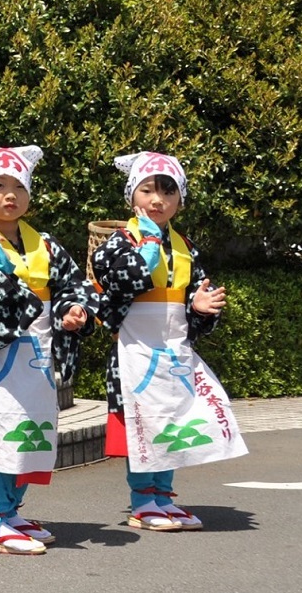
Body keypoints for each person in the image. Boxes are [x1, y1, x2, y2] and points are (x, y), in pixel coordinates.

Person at [0, 145, 97, 555]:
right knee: (1, 432)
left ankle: (12, 511)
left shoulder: (46, 245)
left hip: (39, 350)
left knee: (31, 431)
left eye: (18, 185)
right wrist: (14, 286)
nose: (10, 194)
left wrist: (72, 311)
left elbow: (73, 285)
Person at [90, 151, 243, 531]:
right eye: (148, 191)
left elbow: (194, 299)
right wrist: (148, 249)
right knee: (145, 423)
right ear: (132, 197)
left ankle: (164, 496)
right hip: (135, 351)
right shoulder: (117, 243)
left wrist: (202, 308)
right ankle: (143, 501)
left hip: (174, 351)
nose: (158, 200)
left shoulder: (185, 246)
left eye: (168, 192)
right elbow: (116, 289)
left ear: (180, 200)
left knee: (175, 420)